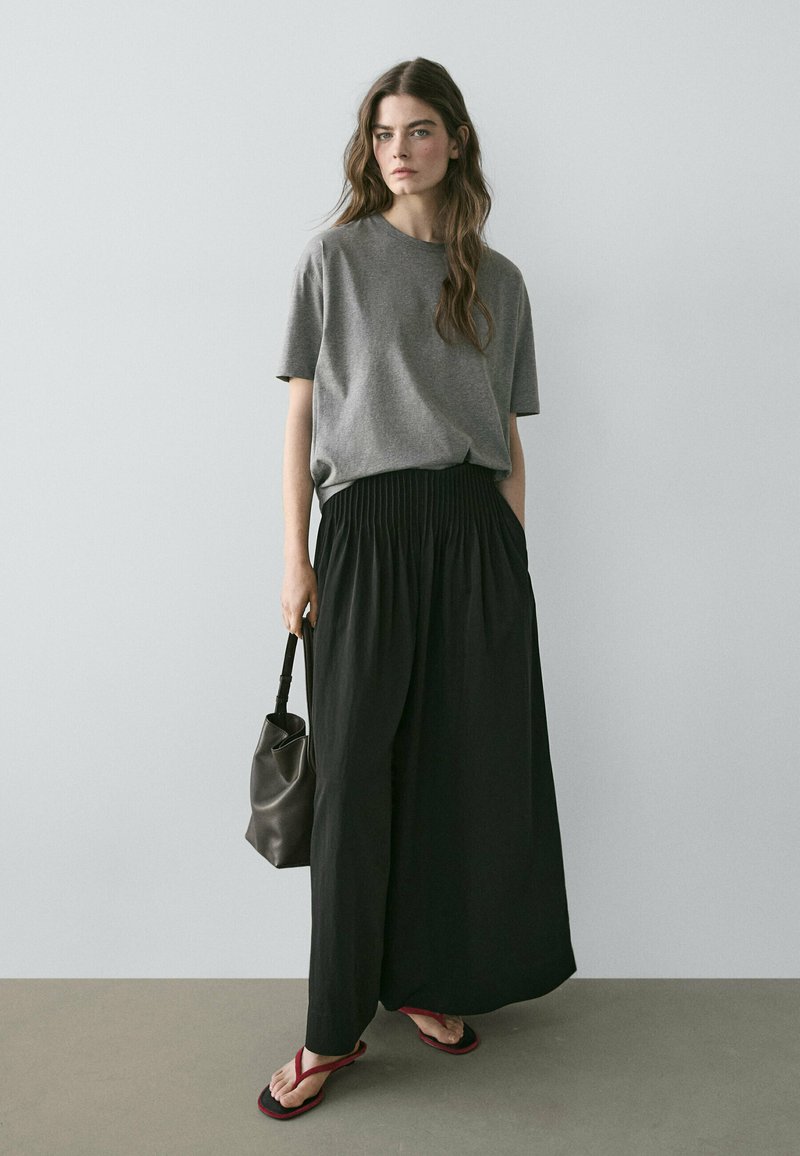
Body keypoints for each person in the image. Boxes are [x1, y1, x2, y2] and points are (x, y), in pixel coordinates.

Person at [259, 56, 577, 1122]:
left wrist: (511, 551)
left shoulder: (502, 280)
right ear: (371, 148)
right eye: (385, 133)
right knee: (354, 781)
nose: (400, 150)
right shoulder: (333, 259)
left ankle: (424, 980)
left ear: (455, 142)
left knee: (459, 770)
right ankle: (330, 1026)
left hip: (474, 534)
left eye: (421, 130)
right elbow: (301, 416)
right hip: (366, 530)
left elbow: (508, 438)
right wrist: (296, 555)